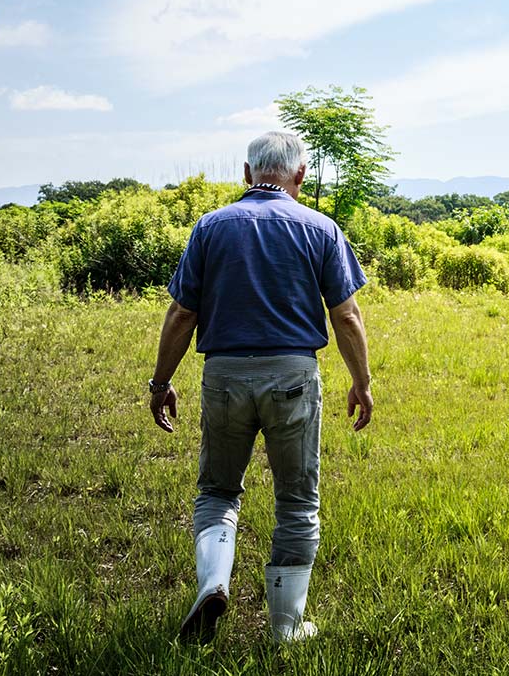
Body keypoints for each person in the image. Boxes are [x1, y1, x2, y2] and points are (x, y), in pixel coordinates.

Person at [147, 131, 375, 644]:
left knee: (218, 490)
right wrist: (361, 383)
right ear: (299, 177)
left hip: (224, 377)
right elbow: (347, 316)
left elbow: (183, 312)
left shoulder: (210, 227)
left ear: (247, 175)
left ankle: (213, 581)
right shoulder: (321, 229)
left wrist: (161, 382)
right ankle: (286, 626)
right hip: (293, 378)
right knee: (296, 500)